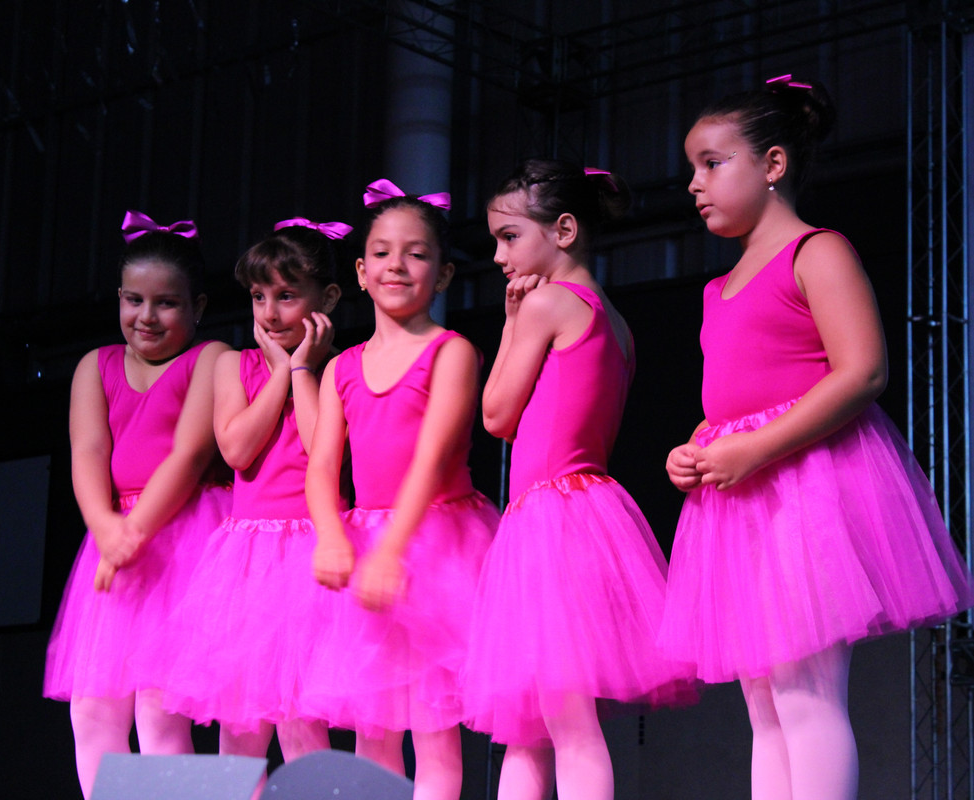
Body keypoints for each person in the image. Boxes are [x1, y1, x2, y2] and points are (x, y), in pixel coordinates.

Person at [660, 76, 974, 800]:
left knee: (807, 694)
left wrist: (753, 447)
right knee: (764, 707)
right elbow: (731, 398)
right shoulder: (718, 288)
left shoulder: (816, 251)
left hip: (805, 489)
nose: (694, 185)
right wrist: (700, 445)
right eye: (692, 168)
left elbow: (862, 370)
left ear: (773, 164)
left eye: (713, 164)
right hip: (741, 496)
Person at [462, 159, 698, 800]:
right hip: (584, 513)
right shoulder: (614, 319)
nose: (499, 254)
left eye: (510, 237)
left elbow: (495, 416)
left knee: (562, 725)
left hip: (551, 519)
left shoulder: (546, 304)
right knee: (535, 727)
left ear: (563, 229)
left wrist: (511, 325)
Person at [301, 180, 498, 800]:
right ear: (360, 272)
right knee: (374, 733)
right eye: (382, 253)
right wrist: (333, 535)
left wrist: (392, 550)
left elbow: (433, 459)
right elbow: (322, 463)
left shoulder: (451, 352)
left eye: (416, 253)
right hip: (365, 536)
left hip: (438, 544)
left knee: (433, 730)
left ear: (441, 275)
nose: (397, 265)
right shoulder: (341, 366)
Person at [43, 211, 232, 798]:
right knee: (93, 714)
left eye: (166, 303)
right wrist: (106, 527)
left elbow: (189, 452)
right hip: (114, 540)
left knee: (159, 713)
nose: (146, 317)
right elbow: (88, 451)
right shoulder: (94, 366)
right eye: (134, 300)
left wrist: (136, 531)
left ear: (197, 307)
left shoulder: (210, 359)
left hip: (181, 542)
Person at [152, 218, 346, 762]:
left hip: (311, 551)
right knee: (240, 728)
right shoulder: (234, 367)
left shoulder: (338, 372)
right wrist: (280, 373)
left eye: (287, 296)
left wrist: (302, 367)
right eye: (260, 296)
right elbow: (236, 450)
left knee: (301, 726)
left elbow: (319, 448)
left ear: (326, 297)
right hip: (248, 560)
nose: (269, 311)